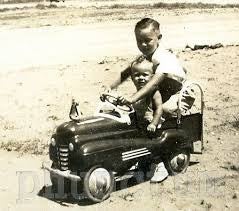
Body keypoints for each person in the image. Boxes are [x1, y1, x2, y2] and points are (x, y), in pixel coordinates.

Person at [103, 18, 193, 182]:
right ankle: (138, 156)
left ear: (159, 38)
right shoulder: (143, 58)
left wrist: (132, 98)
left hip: (179, 93)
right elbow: (126, 73)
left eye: (148, 40)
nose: (143, 45)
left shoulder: (163, 57)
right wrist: (110, 87)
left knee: (159, 116)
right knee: (135, 115)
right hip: (160, 92)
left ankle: (160, 164)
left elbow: (153, 83)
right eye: (139, 41)